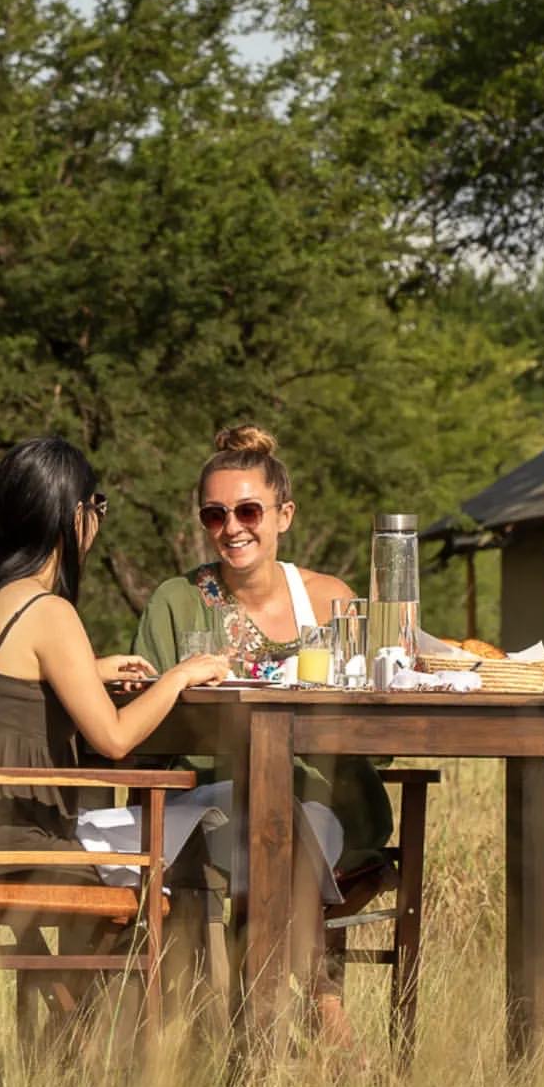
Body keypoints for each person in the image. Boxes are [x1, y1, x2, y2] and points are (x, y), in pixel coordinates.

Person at [132, 423, 394, 1043]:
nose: (232, 527)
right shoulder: (178, 603)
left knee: (295, 822)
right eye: (215, 514)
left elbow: (380, 732)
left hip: (329, 802)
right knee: (270, 827)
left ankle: (263, 1039)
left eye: (248, 509)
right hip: (212, 803)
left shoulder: (333, 603)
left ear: (284, 515)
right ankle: (323, 1003)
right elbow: (148, 726)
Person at [0, 436, 227, 890]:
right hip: (24, 843)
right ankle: (153, 963)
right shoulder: (48, 612)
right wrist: (180, 675)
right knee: (198, 836)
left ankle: (81, 962)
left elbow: (1, 689)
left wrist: (91, 669)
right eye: (97, 506)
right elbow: (115, 739)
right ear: (76, 516)